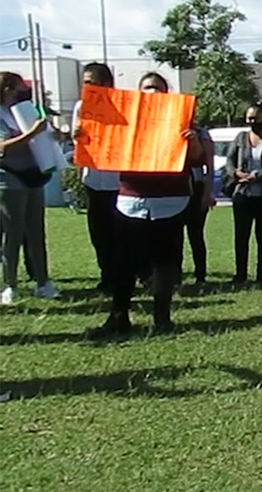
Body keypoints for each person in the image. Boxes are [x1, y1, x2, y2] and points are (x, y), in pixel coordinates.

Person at [88, 72, 204, 337]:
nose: (152, 92)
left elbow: (197, 159)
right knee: (123, 264)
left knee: (165, 263)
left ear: (166, 92)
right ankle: (119, 317)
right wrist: (86, 136)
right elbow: (102, 151)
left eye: (157, 88)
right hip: (131, 200)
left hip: (170, 201)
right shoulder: (125, 122)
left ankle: (162, 318)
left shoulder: (180, 120)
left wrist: (192, 142)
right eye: (147, 88)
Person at [0, 72, 60, 305]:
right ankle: (10, 285)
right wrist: (31, 133)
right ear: (6, 89)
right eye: (16, 88)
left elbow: (41, 136)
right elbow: (3, 147)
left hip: (34, 176)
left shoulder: (26, 111)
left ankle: (43, 282)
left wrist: (48, 134)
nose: (21, 92)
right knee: (13, 233)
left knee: (36, 232)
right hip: (9, 177)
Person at [73, 62, 121, 293]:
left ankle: (127, 273)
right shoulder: (81, 107)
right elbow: (78, 141)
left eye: (92, 82)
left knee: (120, 232)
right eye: (85, 82)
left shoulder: (122, 107)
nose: (87, 86)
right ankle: (107, 275)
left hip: (118, 181)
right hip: (93, 179)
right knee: (98, 232)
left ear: (106, 83)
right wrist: (76, 135)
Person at [225, 103, 262, 285]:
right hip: (243, 193)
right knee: (241, 235)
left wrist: (258, 176)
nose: (251, 122)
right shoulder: (241, 138)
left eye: (255, 118)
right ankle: (240, 274)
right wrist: (235, 173)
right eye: (249, 118)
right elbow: (229, 159)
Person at [182, 126, 216, 285]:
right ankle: (174, 275)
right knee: (174, 236)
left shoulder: (202, 133)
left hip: (196, 186)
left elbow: (209, 167)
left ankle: (200, 275)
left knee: (196, 234)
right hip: (175, 186)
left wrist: (208, 193)